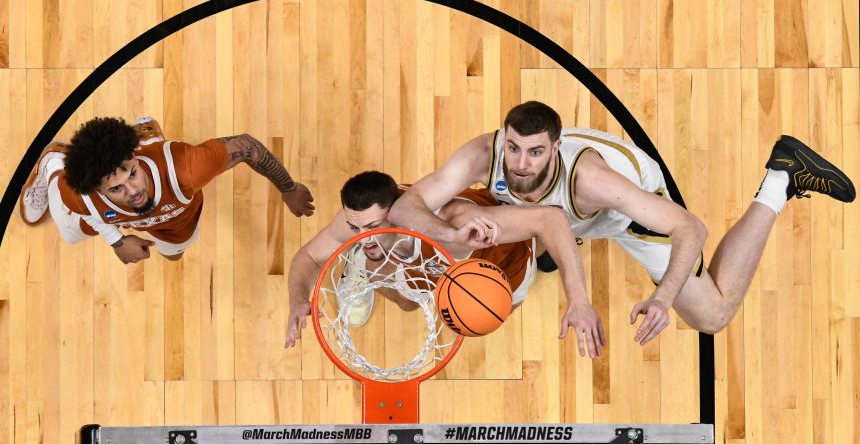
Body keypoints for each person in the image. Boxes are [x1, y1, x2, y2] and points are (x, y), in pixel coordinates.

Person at [389, 101, 856, 348]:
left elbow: (691, 228)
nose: (520, 162)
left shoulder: (594, 183)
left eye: (534, 152)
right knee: (462, 219)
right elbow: (406, 206)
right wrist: (450, 234)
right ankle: (553, 245)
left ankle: (781, 176)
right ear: (504, 138)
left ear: (554, 149)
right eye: (513, 148)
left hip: (620, 211)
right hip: (560, 215)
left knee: (712, 315)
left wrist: (662, 297)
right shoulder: (483, 154)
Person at [284, 171, 606, 358]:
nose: (363, 237)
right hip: (432, 270)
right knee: (408, 303)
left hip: (500, 264)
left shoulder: (457, 223)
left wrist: (578, 300)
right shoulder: (358, 222)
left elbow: (550, 219)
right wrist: (298, 298)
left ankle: (543, 250)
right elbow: (309, 257)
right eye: (356, 229)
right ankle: (359, 269)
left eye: (373, 228)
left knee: (506, 302)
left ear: (398, 210)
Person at [19, 116, 315, 264]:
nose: (134, 191)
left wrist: (288, 188)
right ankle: (52, 162)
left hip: (175, 219)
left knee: (173, 256)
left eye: (132, 172)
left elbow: (247, 147)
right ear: (97, 190)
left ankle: (147, 137)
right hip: (106, 213)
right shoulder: (79, 192)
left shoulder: (186, 168)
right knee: (70, 235)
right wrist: (116, 241)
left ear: (132, 156)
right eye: (117, 189)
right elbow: (95, 206)